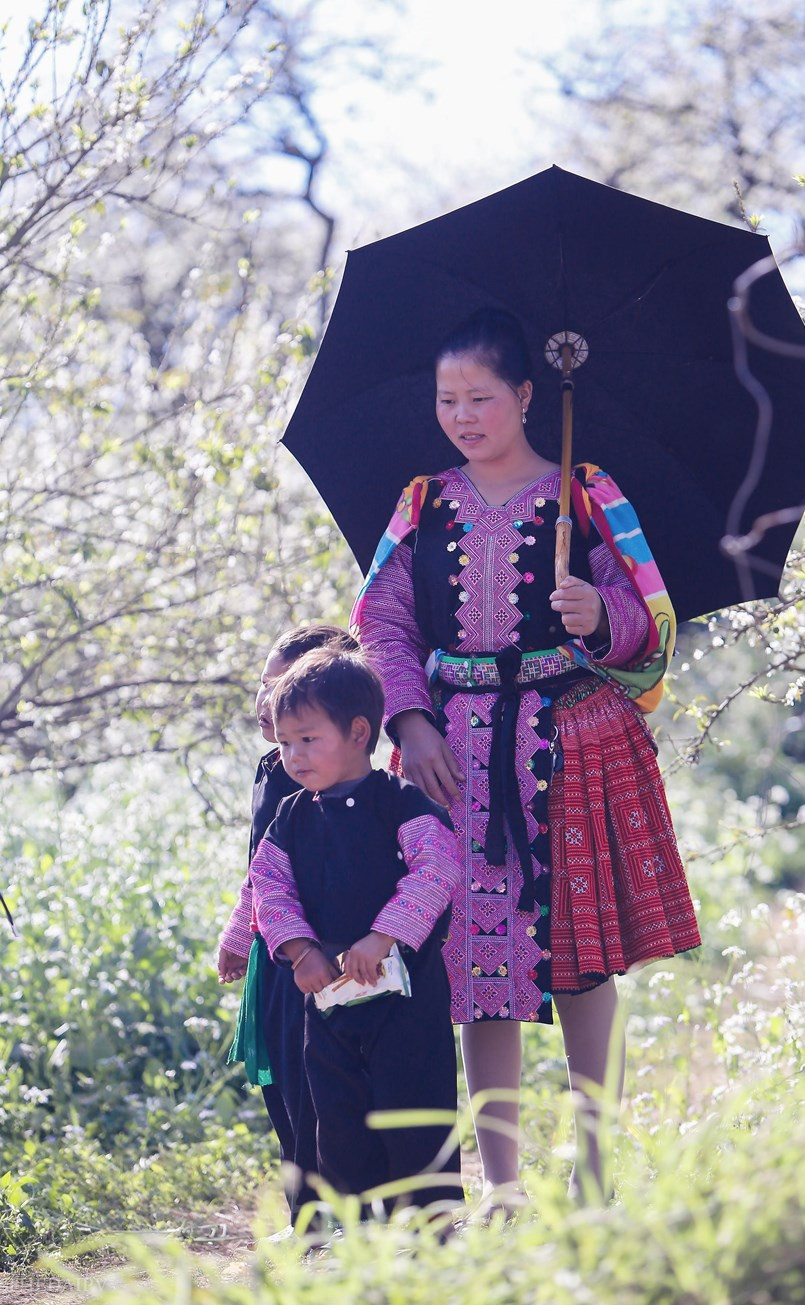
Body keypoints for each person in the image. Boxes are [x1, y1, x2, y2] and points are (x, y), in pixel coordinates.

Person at [351, 307, 701, 1207]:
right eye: (448, 400)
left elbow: (651, 622)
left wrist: (601, 614)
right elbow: (382, 622)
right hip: (452, 755)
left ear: (527, 395)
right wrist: (411, 724)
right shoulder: (423, 506)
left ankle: (596, 1176)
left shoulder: (587, 495)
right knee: (478, 968)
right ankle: (502, 1183)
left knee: (583, 964)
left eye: (481, 397)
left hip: (575, 741)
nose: (464, 415)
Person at [238, 646, 463, 1215]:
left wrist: (384, 936)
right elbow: (268, 883)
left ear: (359, 731)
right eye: (286, 743)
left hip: (406, 997)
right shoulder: (291, 815)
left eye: (309, 739)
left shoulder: (403, 805)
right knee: (335, 1113)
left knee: (414, 1107)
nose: (293, 755)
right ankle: (355, 1229)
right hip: (329, 994)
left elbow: (438, 871)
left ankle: (428, 1229)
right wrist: (299, 950)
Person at [217, 623, 357, 1223]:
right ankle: (307, 1218)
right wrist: (238, 929)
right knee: (283, 1087)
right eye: (264, 685)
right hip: (272, 946)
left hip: (313, 948)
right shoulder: (273, 767)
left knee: (316, 1085)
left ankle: (331, 1217)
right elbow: (260, 865)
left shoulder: (319, 778)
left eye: (281, 689)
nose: (263, 704)